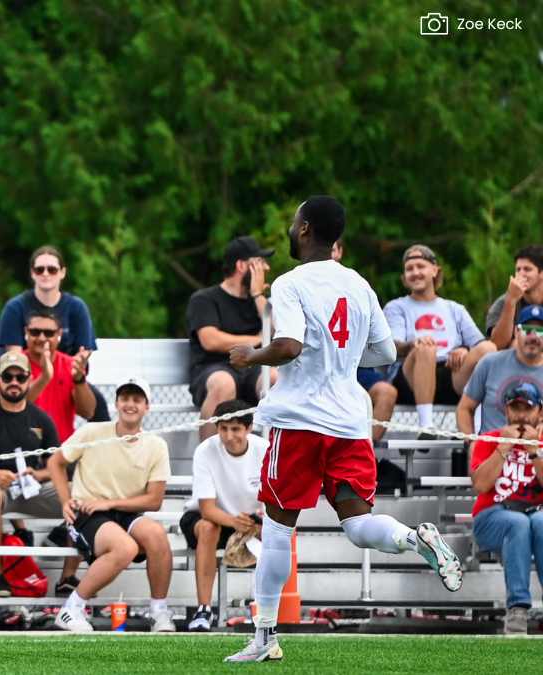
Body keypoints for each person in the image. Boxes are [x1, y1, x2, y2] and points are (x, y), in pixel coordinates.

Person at [224, 195, 462, 663]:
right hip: (349, 424)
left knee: (276, 530)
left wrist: (251, 355)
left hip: (299, 423)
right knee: (356, 525)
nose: (292, 230)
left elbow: (289, 346)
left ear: (307, 229)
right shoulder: (358, 284)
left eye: (295, 223)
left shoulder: (291, 284)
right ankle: (416, 539)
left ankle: (265, 637)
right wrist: (341, 359)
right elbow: (385, 354)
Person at [49, 379, 176, 633]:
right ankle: (71, 609)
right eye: (125, 398)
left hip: (123, 513)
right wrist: (65, 502)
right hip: (86, 513)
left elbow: (154, 500)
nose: (130, 404)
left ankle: (159, 612)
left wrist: (109, 503)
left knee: (157, 534)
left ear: (147, 407)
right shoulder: (92, 432)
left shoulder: (156, 445)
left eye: (137, 399)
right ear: (117, 403)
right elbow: (55, 462)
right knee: (126, 547)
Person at [0, 352, 65, 597]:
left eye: (20, 376)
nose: (14, 382)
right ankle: (0, 578)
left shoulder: (42, 418)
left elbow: (56, 466)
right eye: (8, 376)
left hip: (30, 487)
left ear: (29, 380)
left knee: (81, 497)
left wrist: (38, 475)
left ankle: (68, 577)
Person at [367, 245, 494, 441]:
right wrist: (413, 344)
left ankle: (478, 426)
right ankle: (426, 427)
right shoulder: (396, 307)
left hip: (450, 373)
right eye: (409, 269)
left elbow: (480, 343)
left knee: (488, 348)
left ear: (435, 270)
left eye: (420, 266)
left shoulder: (454, 309)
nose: (415, 272)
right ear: (404, 278)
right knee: (426, 348)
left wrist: (463, 349)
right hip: (411, 376)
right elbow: (393, 346)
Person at [180, 399, 265, 631]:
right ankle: (203, 610)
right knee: (208, 528)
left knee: (279, 532)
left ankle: (267, 609)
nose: (228, 436)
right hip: (205, 518)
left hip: (249, 520)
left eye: (235, 429)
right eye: (223, 428)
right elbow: (206, 508)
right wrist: (237, 523)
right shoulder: (205, 450)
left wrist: (258, 524)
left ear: (248, 428)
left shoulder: (264, 450)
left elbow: (275, 500)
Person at [467, 382, 543, 635]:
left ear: (539, 412)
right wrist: (503, 448)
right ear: (506, 411)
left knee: (539, 522)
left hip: (535, 516)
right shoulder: (490, 439)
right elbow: (480, 484)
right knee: (518, 522)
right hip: (493, 516)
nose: (521, 415)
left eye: (527, 408)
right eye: (515, 408)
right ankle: (518, 608)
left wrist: (535, 453)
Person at [187, 236, 274, 440]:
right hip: (214, 370)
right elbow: (211, 340)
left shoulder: (260, 302)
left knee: (276, 380)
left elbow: (276, 335)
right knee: (224, 384)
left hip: (252, 369)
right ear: (242, 265)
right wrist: (255, 340)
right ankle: (207, 462)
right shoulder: (204, 299)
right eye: (260, 262)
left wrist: (257, 295)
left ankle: (275, 461)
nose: (266, 268)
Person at [458, 305, 543, 437]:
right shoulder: (490, 363)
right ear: (516, 332)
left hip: (535, 453)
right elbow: (465, 408)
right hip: (492, 451)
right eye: (526, 330)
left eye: (540, 331)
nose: (533, 336)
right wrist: (472, 443)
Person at [0, 246, 96, 356]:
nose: (45, 274)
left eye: (52, 270)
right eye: (39, 270)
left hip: (67, 371)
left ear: (62, 272)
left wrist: (67, 370)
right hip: (28, 372)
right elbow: (15, 358)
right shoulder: (15, 308)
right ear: (32, 273)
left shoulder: (77, 307)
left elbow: (83, 353)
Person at [22, 309, 94, 442]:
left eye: (49, 333)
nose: (42, 338)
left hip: (62, 449)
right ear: (26, 332)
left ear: (59, 334)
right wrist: (45, 377)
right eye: (35, 332)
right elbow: (11, 406)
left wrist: (80, 380)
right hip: (25, 448)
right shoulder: (14, 363)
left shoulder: (69, 364)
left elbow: (88, 412)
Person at [486, 245, 543, 349]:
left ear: (541, 273)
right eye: (518, 269)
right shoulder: (503, 302)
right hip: (514, 361)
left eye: (527, 269)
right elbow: (496, 345)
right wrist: (511, 301)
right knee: (515, 345)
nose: (521, 274)